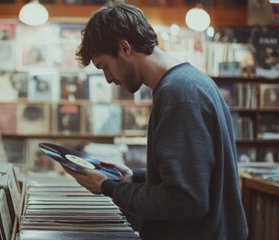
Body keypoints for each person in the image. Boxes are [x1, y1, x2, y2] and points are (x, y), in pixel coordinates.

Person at [63, 1, 249, 239]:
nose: (108, 79)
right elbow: (195, 175)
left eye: (105, 66)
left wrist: (108, 187)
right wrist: (134, 176)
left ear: (125, 48)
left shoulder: (180, 95)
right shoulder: (187, 83)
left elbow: (187, 200)